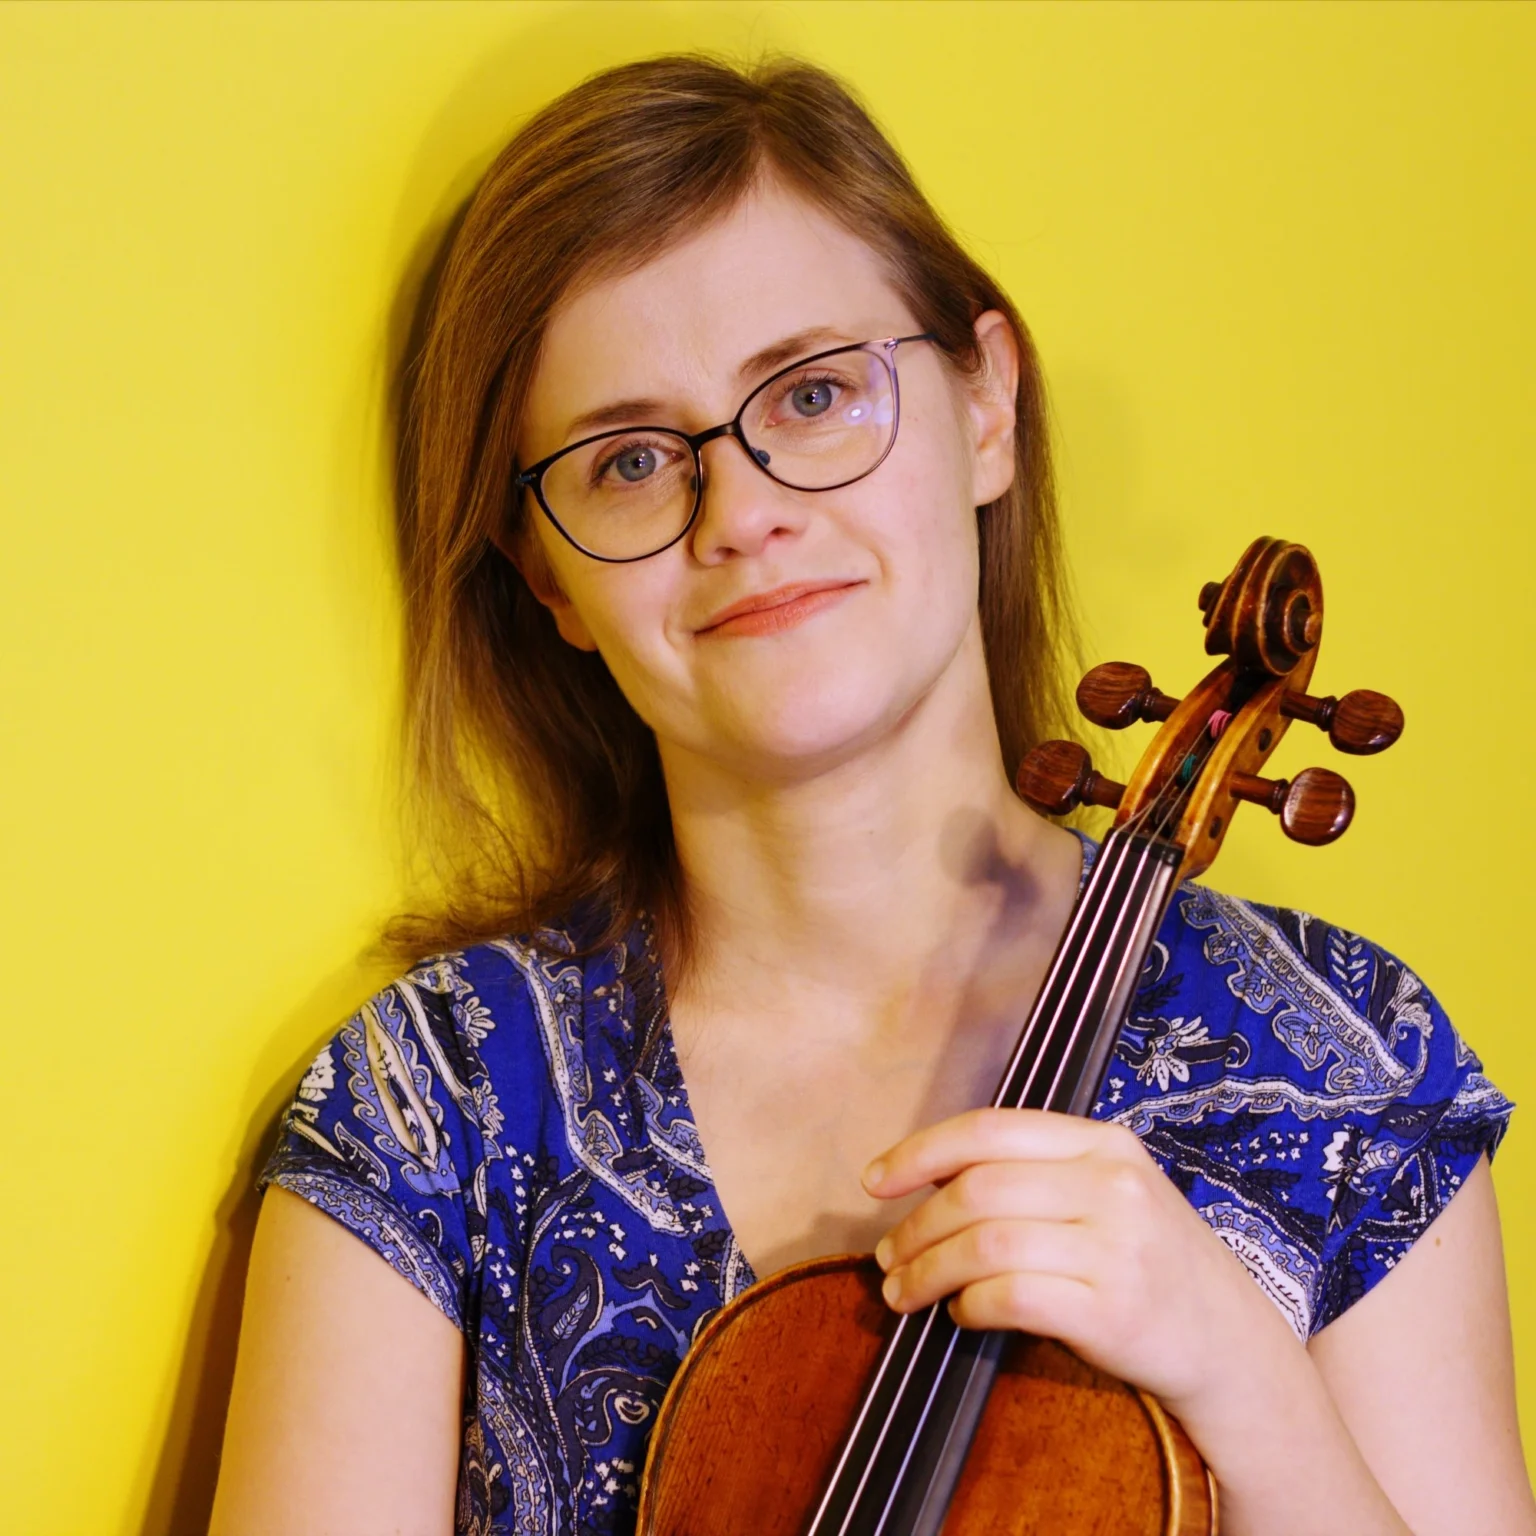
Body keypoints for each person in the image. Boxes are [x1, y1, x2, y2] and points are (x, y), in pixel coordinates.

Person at [209, 55, 1533, 1536]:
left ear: (986, 405)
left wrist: (1251, 1393)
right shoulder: (434, 1103)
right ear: (552, 582)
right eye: (631, 460)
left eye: (815, 392)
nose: (744, 512)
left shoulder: (1353, 1067)